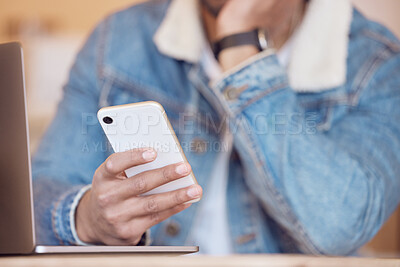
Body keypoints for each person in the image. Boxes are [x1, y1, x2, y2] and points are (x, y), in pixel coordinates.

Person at [32, 0, 400, 255]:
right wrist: (87, 218)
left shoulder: (378, 64)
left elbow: (338, 227)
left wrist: (240, 43)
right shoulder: (120, 39)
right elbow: (33, 197)